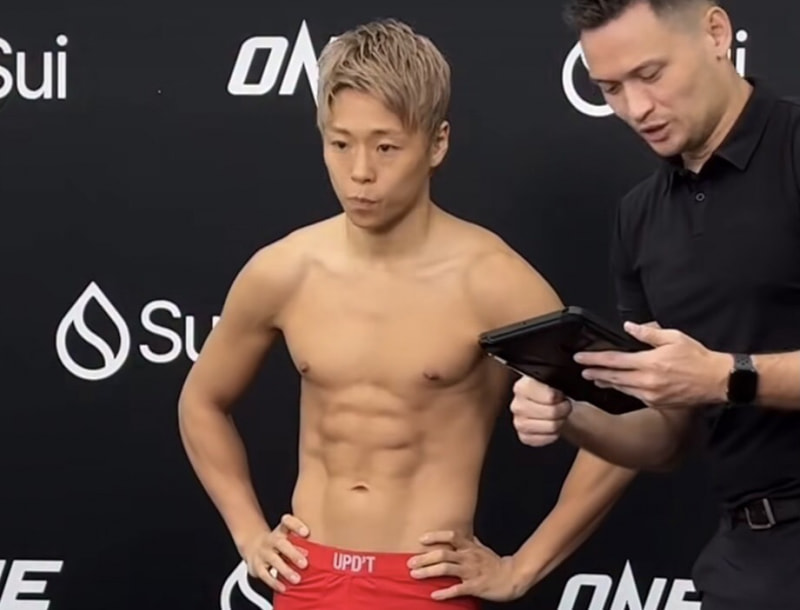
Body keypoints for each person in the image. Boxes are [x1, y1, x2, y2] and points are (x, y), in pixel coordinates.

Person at [178, 17, 635, 610]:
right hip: (308, 577)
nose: (360, 172)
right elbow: (201, 402)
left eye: (386, 146)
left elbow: (631, 426)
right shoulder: (284, 270)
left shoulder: (489, 279)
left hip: (425, 585)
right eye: (340, 144)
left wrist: (522, 568)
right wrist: (247, 532)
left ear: (436, 144)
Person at [511, 1, 800, 608]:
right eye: (611, 89)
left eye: (650, 74)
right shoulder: (639, 218)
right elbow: (666, 439)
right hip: (749, 561)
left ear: (716, 33)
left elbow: (712, 381)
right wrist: (572, 415)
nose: (636, 108)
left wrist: (725, 376)